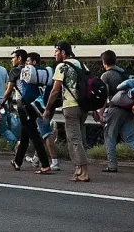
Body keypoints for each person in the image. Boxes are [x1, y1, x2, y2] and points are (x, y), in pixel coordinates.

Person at [97, 50, 134, 173]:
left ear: (103, 62)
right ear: (115, 60)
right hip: (130, 109)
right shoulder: (124, 73)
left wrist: (101, 113)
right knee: (130, 136)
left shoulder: (106, 75)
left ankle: (112, 165)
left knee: (109, 135)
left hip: (116, 109)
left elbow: (104, 95)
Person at [0, 48, 52, 175]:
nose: (12, 60)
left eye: (13, 57)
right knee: (25, 134)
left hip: (23, 106)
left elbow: (9, 90)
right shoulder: (30, 70)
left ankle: (45, 164)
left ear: (19, 58)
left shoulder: (15, 71)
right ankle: (17, 162)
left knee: (33, 134)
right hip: (34, 104)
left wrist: (1, 104)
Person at [43, 41, 90, 182]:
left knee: (74, 140)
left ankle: (85, 172)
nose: (54, 54)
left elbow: (55, 90)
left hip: (70, 106)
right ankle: (78, 169)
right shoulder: (81, 64)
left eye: (56, 51)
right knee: (78, 139)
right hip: (83, 106)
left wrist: (47, 108)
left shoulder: (62, 66)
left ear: (63, 52)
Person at [28, 52, 60, 170]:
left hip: (39, 107)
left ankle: (54, 161)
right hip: (49, 104)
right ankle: (37, 158)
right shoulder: (47, 72)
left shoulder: (33, 74)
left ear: (34, 62)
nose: (27, 64)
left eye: (28, 61)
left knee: (46, 132)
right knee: (41, 131)